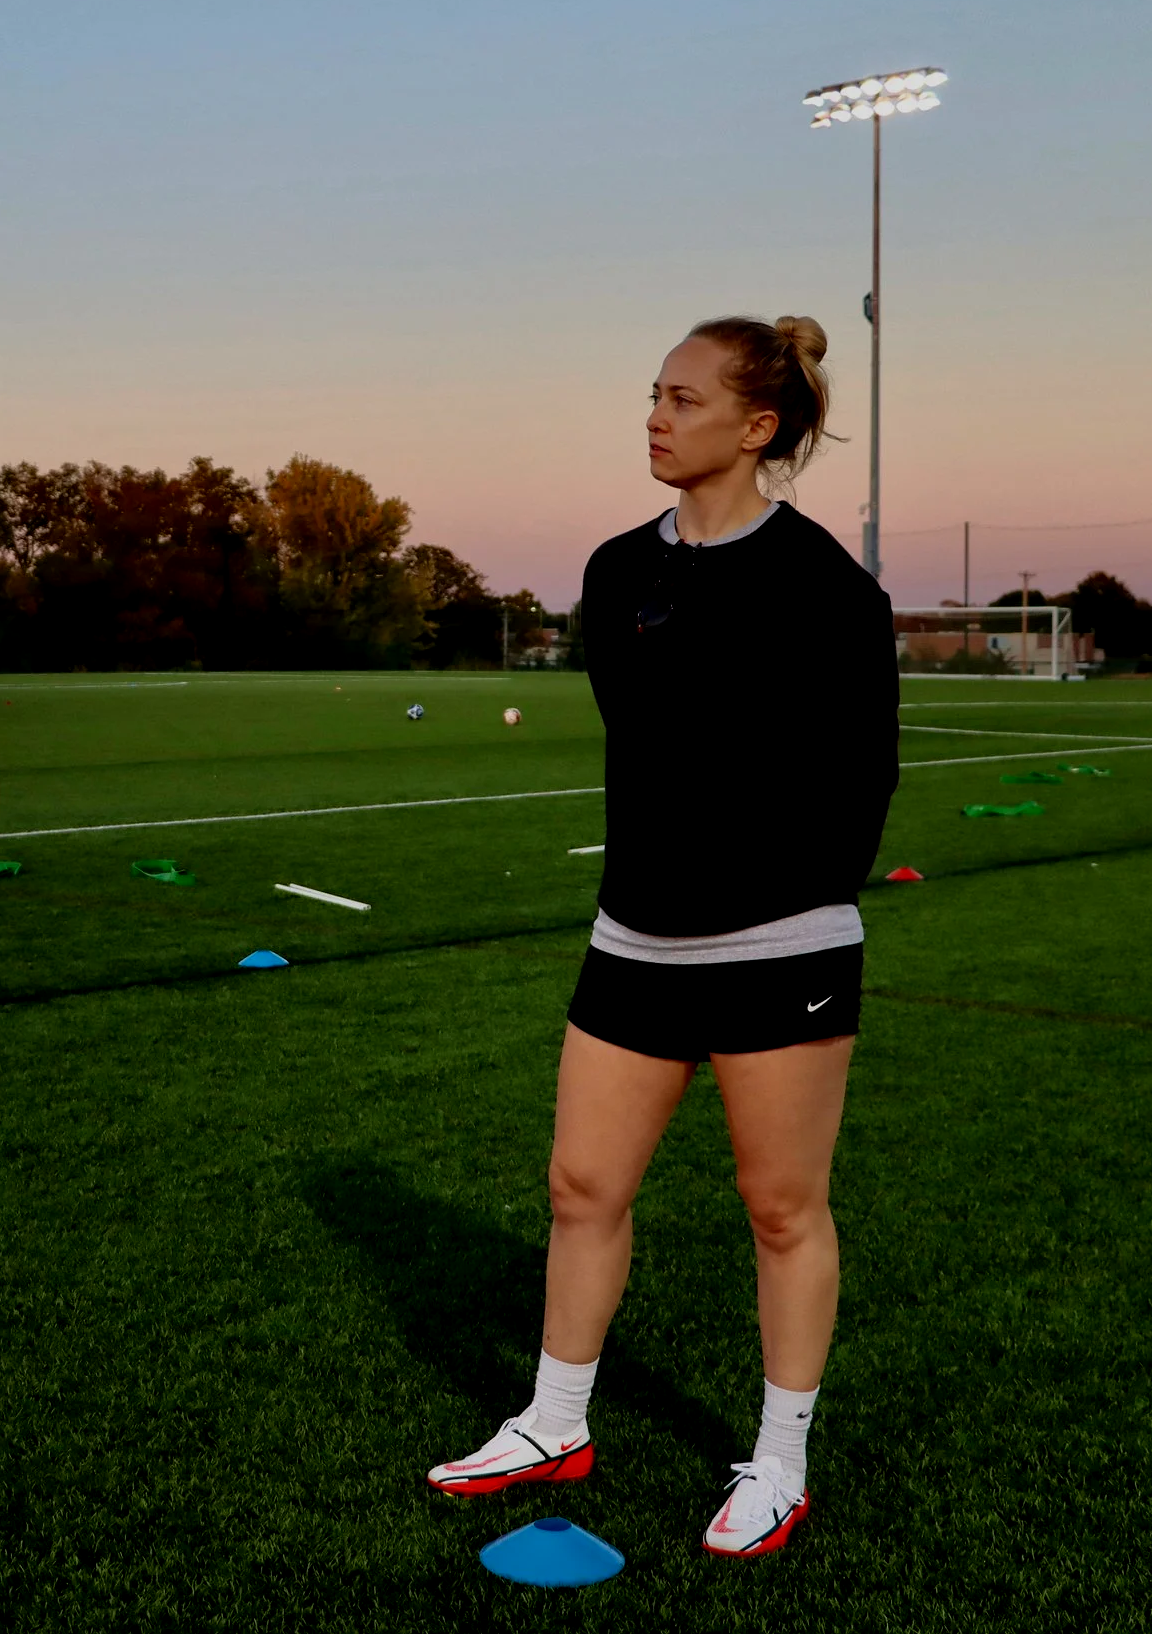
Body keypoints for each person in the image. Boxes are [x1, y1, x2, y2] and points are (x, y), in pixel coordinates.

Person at [424, 316, 897, 1559]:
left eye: (682, 401)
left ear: (755, 428)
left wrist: (756, 894)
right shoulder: (611, 569)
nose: (653, 416)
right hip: (633, 942)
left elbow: (860, 784)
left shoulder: (827, 589)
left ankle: (779, 1458)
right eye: (651, 394)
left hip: (778, 949)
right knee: (581, 1187)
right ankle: (554, 1421)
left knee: (781, 1208)